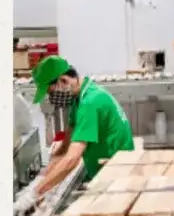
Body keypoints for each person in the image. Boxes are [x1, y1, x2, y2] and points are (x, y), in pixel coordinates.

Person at [31, 55, 135, 198]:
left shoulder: (89, 103)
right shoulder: (80, 97)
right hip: (104, 172)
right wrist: (43, 177)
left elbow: (72, 159)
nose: (51, 98)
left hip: (116, 180)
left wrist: (35, 193)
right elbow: (65, 147)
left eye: (51, 92)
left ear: (63, 80)